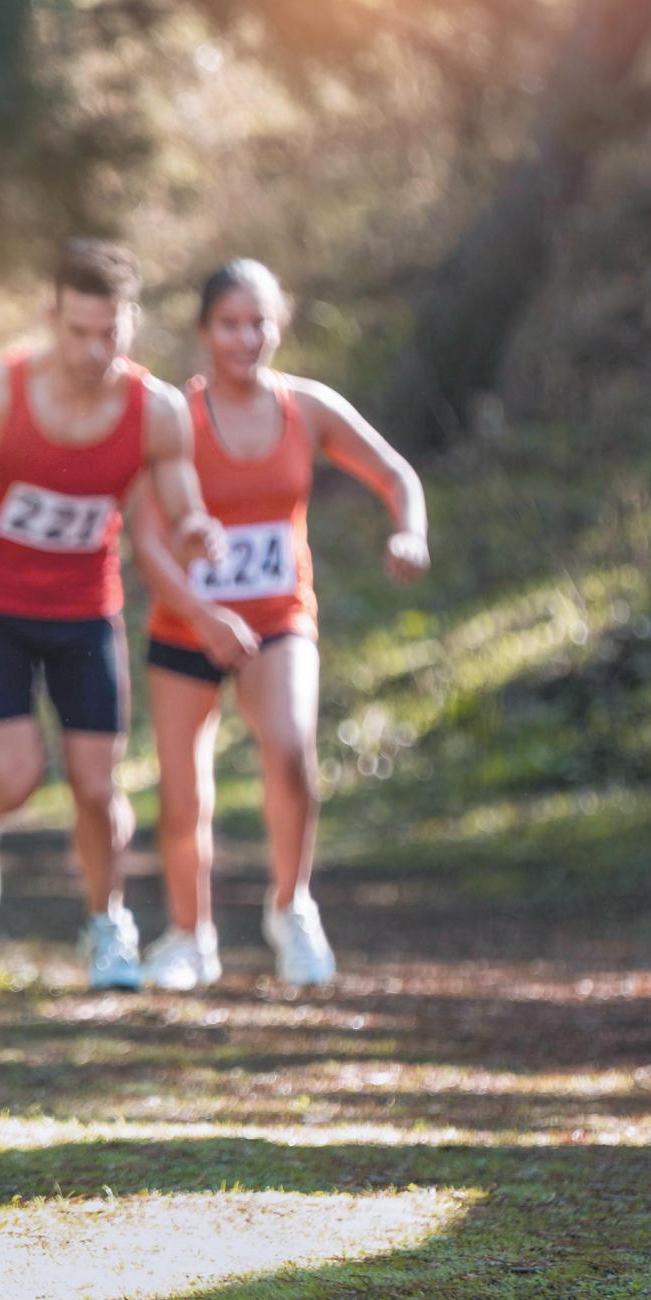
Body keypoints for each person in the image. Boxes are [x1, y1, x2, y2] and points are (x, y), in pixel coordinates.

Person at [0, 240, 223, 990]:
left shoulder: (157, 411)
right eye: (78, 332)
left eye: (109, 333)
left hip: (85, 612)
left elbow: (182, 503)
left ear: (130, 322)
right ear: (53, 318)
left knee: (97, 787)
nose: (93, 350)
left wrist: (197, 530)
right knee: (17, 776)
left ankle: (108, 927)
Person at [129, 259, 428, 990]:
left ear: (280, 323)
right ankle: (189, 936)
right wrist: (201, 614)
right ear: (205, 331)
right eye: (229, 324)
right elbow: (145, 539)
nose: (245, 338)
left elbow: (397, 474)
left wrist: (409, 533)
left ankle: (293, 908)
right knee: (182, 796)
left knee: (292, 754)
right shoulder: (173, 416)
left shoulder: (308, 407)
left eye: (258, 322)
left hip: (279, 617)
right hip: (186, 623)